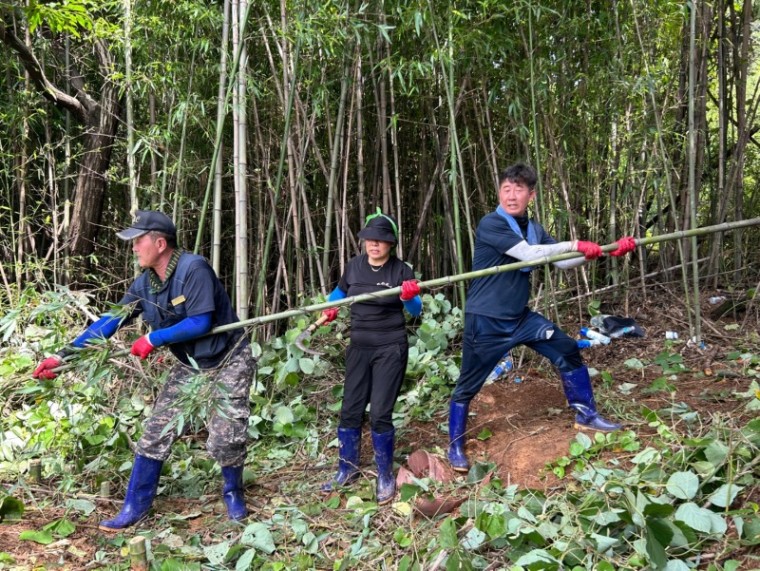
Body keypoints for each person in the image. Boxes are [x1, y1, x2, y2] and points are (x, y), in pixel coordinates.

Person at [32, 210, 257, 529]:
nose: (134, 247)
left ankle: (233, 492)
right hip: (189, 364)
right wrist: (63, 357)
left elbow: (200, 320)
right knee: (155, 433)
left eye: (138, 241)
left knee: (226, 437)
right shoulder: (145, 284)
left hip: (229, 357)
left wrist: (153, 337)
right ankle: (134, 507)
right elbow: (109, 321)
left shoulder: (194, 269)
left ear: (160, 243)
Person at [447, 163, 637, 472]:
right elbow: (531, 255)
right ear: (499, 192)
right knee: (469, 383)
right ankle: (455, 446)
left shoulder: (533, 228)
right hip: (486, 320)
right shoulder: (491, 223)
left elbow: (562, 262)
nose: (511, 195)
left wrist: (602, 251)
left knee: (567, 349)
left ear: (531, 195)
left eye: (519, 189)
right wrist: (578, 244)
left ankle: (585, 415)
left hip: (520, 318)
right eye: (506, 189)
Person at [319, 209, 422, 505]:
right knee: (350, 409)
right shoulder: (354, 267)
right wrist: (329, 308)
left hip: (390, 347)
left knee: (379, 413)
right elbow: (338, 295)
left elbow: (415, 311)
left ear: (391, 244)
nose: (374, 245)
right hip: (359, 347)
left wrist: (408, 296)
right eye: (369, 240)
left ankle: (385, 474)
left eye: (381, 240)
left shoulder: (401, 271)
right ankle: (346, 469)